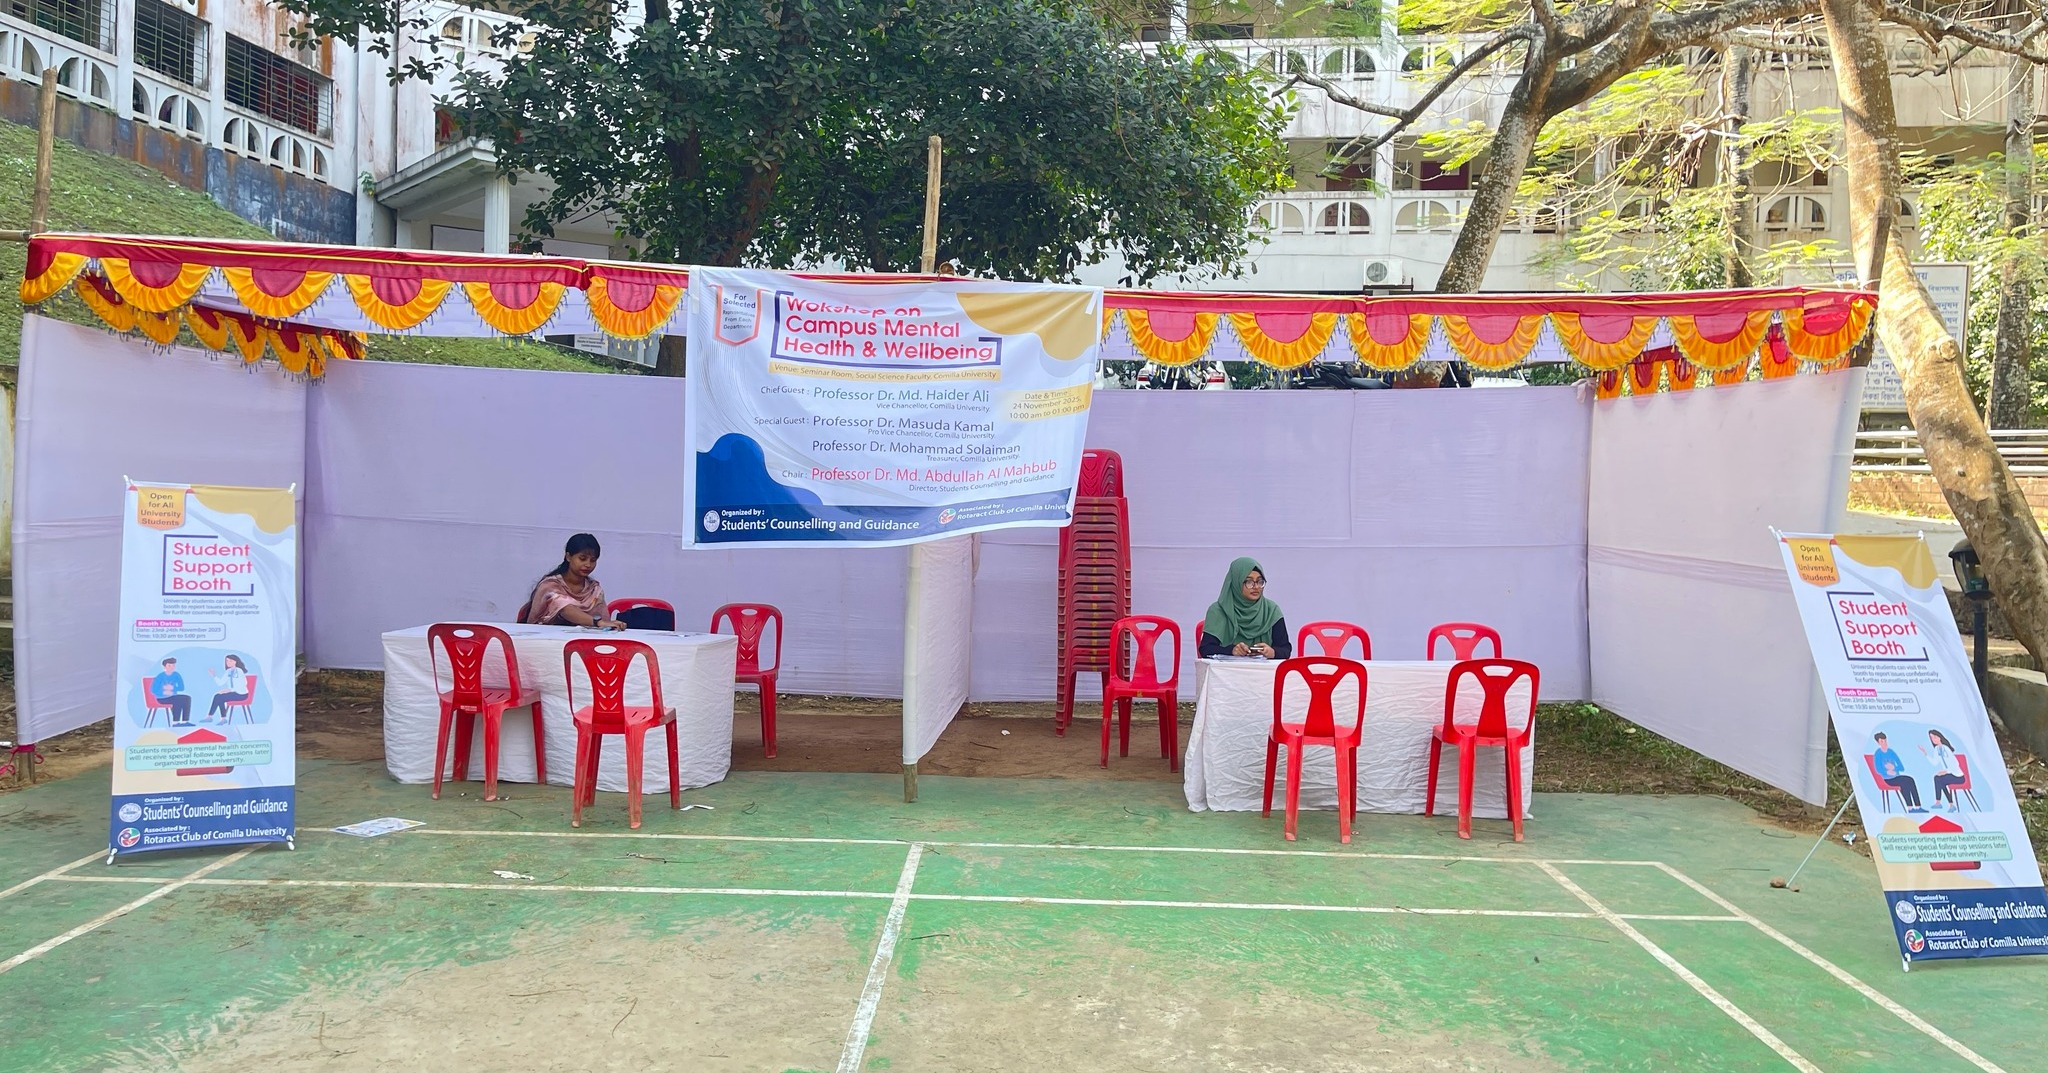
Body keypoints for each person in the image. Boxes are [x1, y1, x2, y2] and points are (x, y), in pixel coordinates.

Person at [525, 533, 625, 630]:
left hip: (584, 639)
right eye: (582, 559)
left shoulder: (594, 590)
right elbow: (564, 609)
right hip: (544, 637)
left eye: (593, 560)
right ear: (568, 557)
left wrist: (611, 625)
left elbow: (604, 622)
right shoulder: (550, 585)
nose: (588, 564)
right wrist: (597, 622)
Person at [1199, 557, 1292, 659]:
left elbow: (1285, 650)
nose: (1256, 587)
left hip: (1262, 669)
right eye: (1249, 582)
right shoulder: (1218, 611)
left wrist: (1272, 652)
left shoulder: (1271, 611)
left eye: (1260, 581)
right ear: (1236, 582)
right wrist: (1232, 650)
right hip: (1227, 669)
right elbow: (1206, 649)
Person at [1870, 732, 1923, 812]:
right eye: (1881, 741)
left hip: (1896, 776)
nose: (1884, 743)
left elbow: (1901, 767)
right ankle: (1910, 808)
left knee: (1910, 779)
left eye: (1885, 740)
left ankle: (1918, 806)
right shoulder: (1878, 754)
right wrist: (1887, 771)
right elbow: (1878, 769)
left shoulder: (1891, 752)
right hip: (1887, 779)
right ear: (1878, 743)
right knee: (1904, 782)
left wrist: (1894, 768)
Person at [1922, 729, 1966, 811]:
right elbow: (1934, 762)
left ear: (1939, 737)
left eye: (1935, 737)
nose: (1933, 739)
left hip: (1958, 776)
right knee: (1937, 778)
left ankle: (1947, 804)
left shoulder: (1946, 748)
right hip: (1949, 774)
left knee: (1940, 780)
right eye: (1931, 738)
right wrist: (1926, 754)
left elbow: (1955, 764)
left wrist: (1946, 772)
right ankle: (1943, 803)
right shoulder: (1936, 749)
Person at [207, 654, 250, 723]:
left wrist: (229, 690)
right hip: (233, 693)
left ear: (235, 662)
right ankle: (219, 718)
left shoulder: (239, 671)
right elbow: (220, 683)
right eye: (227, 661)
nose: (228, 662)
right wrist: (214, 675)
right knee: (218, 696)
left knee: (219, 697)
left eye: (230, 661)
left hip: (242, 694)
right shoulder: (228, 671)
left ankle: (214, 717)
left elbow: (243, 684)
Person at [153, 657, 192, 726]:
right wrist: (164, 691)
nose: (172, 667)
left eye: (173, 665)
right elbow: (153, 690)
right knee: (177, 700)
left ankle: (185, 721)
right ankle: (175, 722)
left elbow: (181, 687)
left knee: (187, 698)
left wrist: (173, 688)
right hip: (161, 698)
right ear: (164, 667)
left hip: (173, 696)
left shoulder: (176, 675)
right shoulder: (160, 676)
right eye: (169, 665)